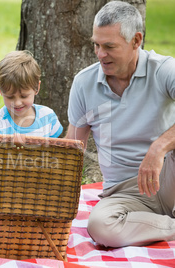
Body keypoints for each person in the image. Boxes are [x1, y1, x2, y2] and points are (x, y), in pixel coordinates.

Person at [66, 1, 175, 248]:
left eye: (109, 46)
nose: (100, 54)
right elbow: (73, 148)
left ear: (136, 41)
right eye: (96, 45)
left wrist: (159, 148)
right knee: (100, 227)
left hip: (169, 176)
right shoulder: (84, 83)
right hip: (125, 193)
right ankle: (168, 227)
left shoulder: (164, 70)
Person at [0, 50, 63, 137]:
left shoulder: (48, 117)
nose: (17, 103)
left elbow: (55, 148)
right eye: (10, 97)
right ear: (1, 92)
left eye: (24, 96)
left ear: (37, 88)